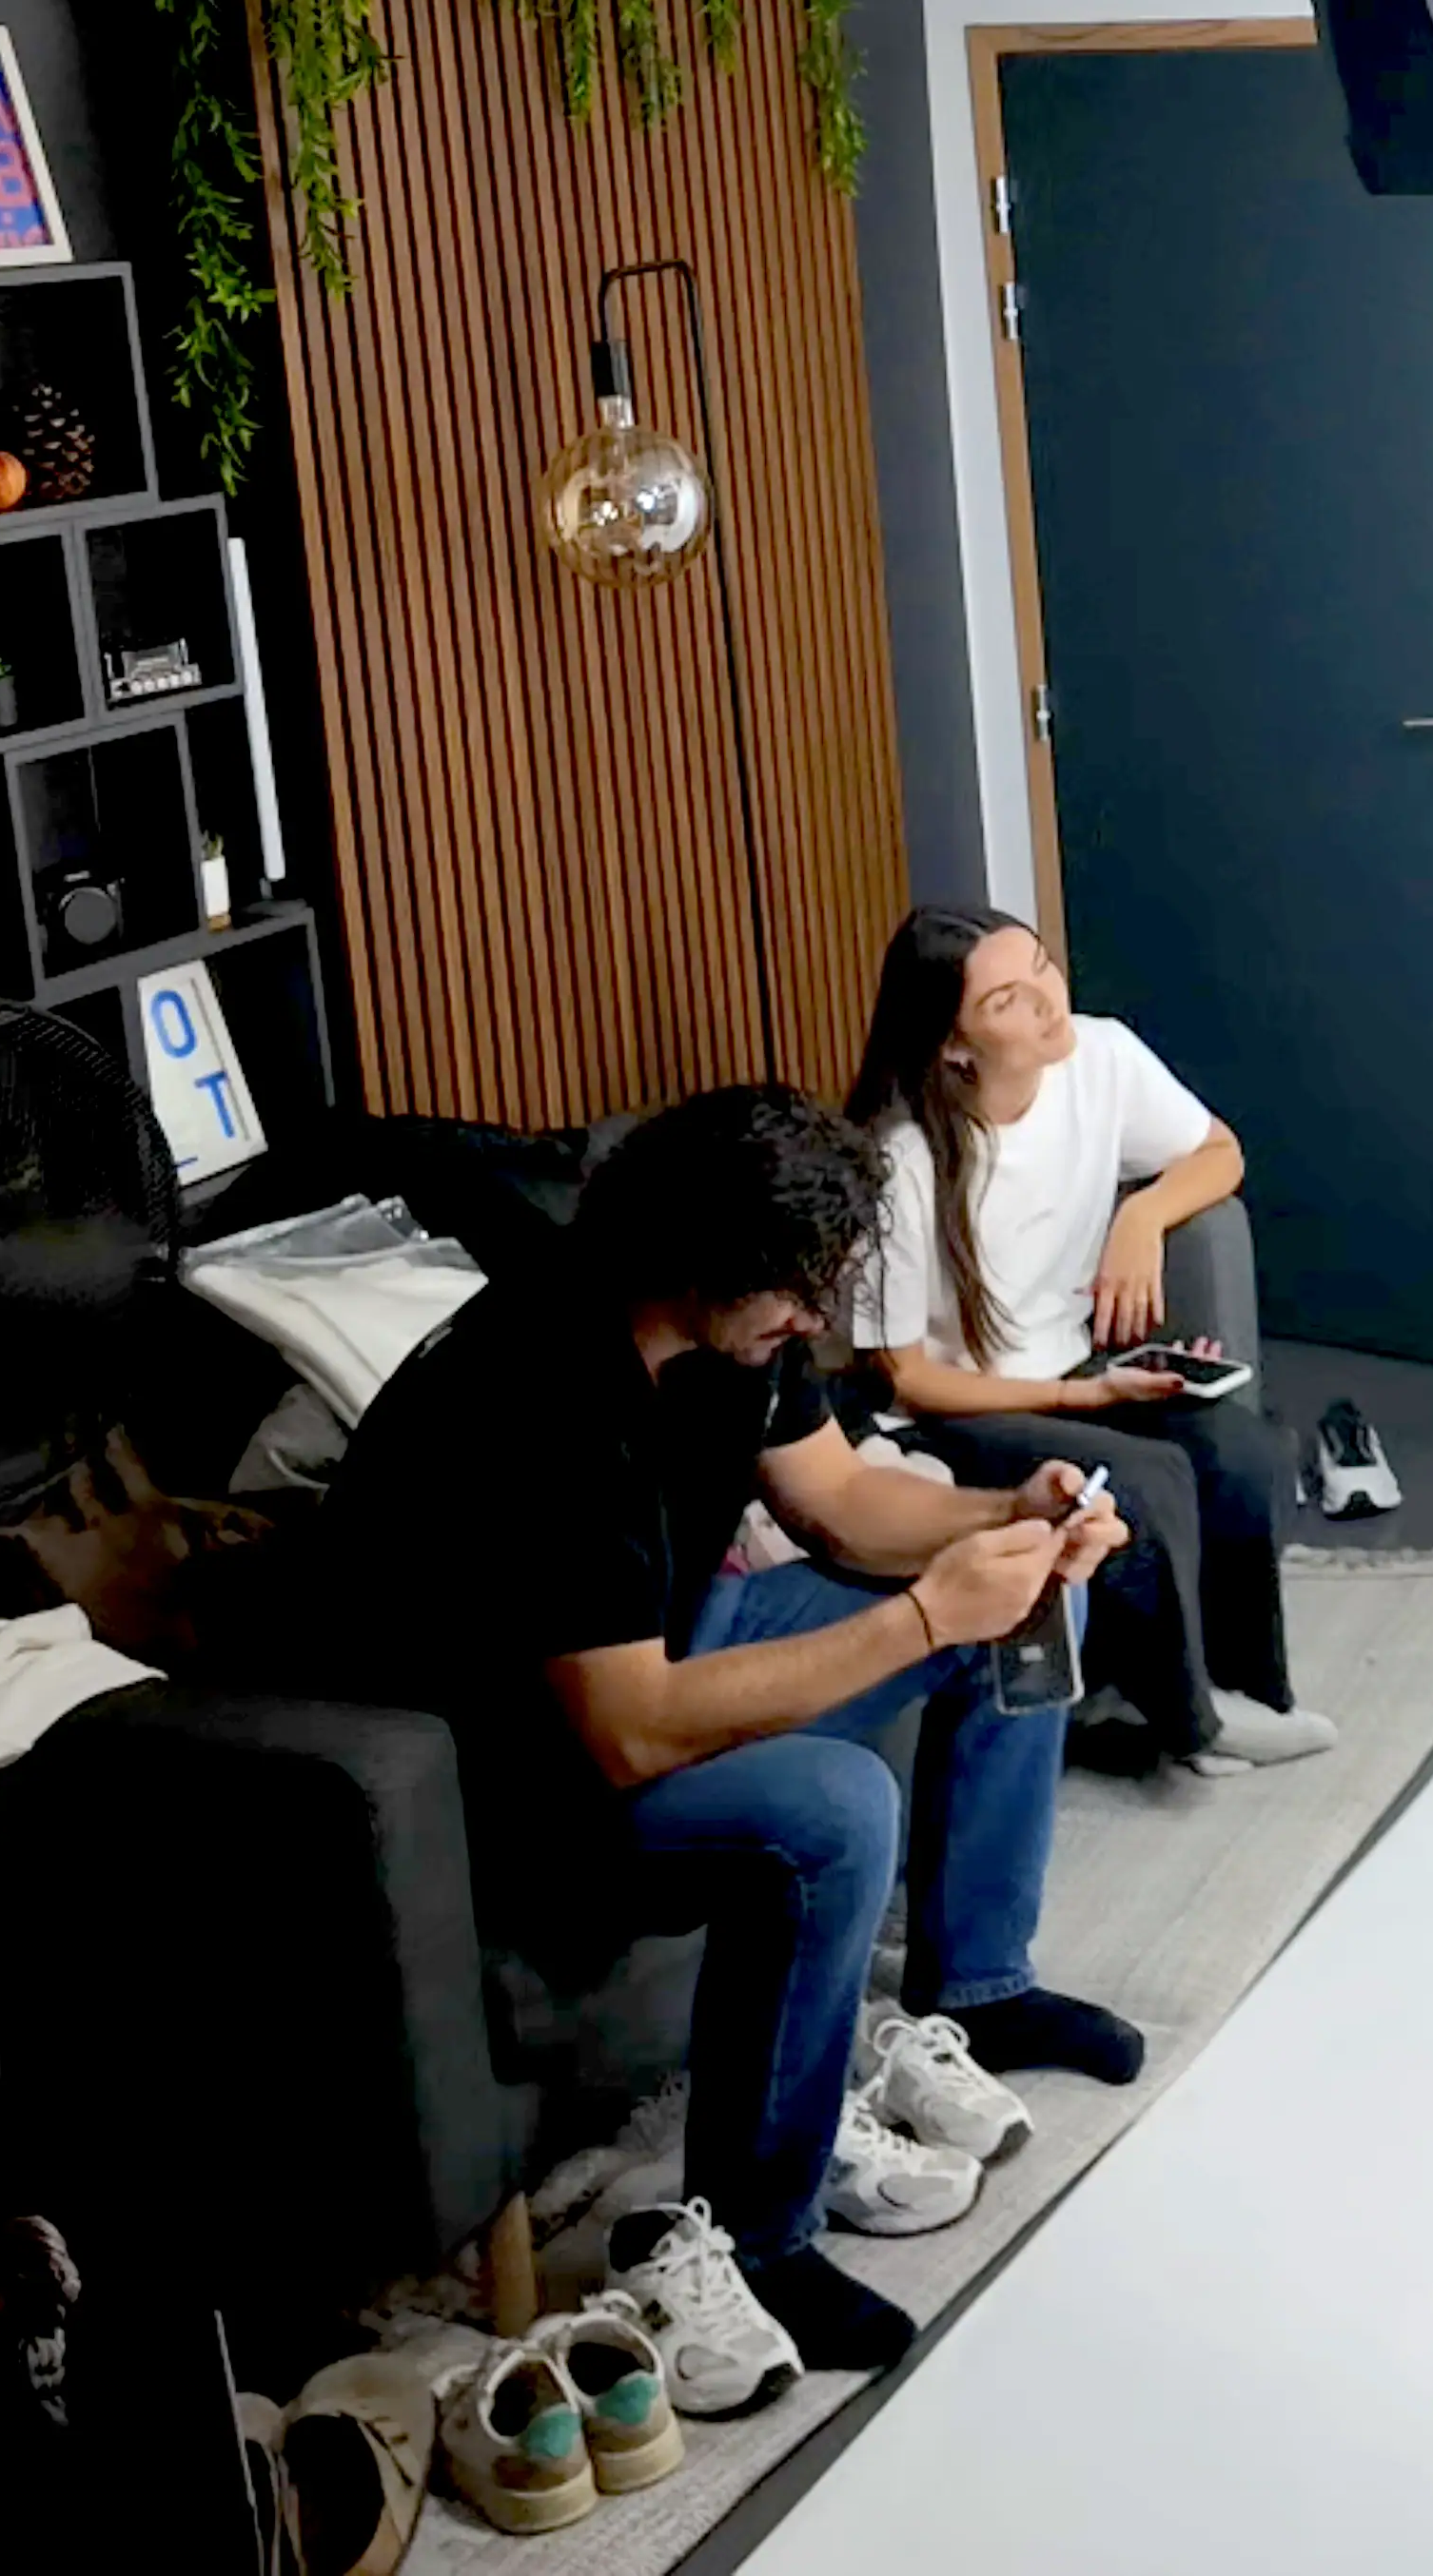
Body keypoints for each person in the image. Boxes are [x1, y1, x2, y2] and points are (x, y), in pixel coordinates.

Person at [320, 1085, 1152, 2395]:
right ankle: (757, 2236)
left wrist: (1007, 1513)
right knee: (833, 1812)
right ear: (692, 1257)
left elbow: (841, 1507)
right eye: (791, 1292)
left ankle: (980, 1985)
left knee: (1037, 1586)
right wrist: (934, 1613)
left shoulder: (738, 1333)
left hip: (649, 1654)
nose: (813, 1320)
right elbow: (629, 1735)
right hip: (515, 1784)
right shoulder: (540, 1394)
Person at [828, 906, 1336, 1774]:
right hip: (960, 1411)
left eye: (1044, 970)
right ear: (955, 1045)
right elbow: (905, 1378)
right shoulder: (904, 1163)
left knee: (1239, 1448)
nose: (1047, 1003)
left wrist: (1142, 1215)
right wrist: (1077, 1397)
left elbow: (1219, 1152)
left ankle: (1250, 1686)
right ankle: (1192, 1724)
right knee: (1146, 1477)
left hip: (1074, 1368)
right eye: (1007, 1002)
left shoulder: (1099, 1055)